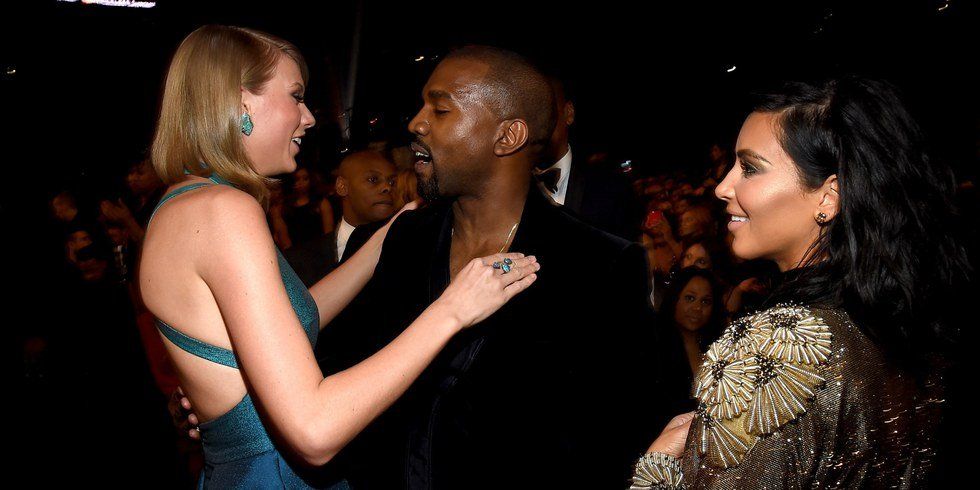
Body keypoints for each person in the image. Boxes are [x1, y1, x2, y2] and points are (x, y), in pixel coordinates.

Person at [140, 26, 539, 489]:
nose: (308, 117)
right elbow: (315, 429)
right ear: (241, 102)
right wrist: (453, 309)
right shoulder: (224, 211)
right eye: (295, 96)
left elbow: (289, 317)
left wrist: (387, 235)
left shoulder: (181, 204)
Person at [315, 45, 688, 489]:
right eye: (422, 107)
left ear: (507, 136)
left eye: (440, 109)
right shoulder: (402, 239)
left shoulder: (600, 263)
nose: (416, 123)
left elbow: (617, 440)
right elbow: (338, 374)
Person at [631, 76, 968, 488]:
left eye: (750, 168)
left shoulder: (775, 351)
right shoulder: (905, 322)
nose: (722, 187)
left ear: (828, 197)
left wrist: (659, 464)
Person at [533, 75, 642, 241]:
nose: (537, 120)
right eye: (528, 112)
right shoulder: (508, 188)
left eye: (546, 108)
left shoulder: (612, 187)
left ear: (568, 113)